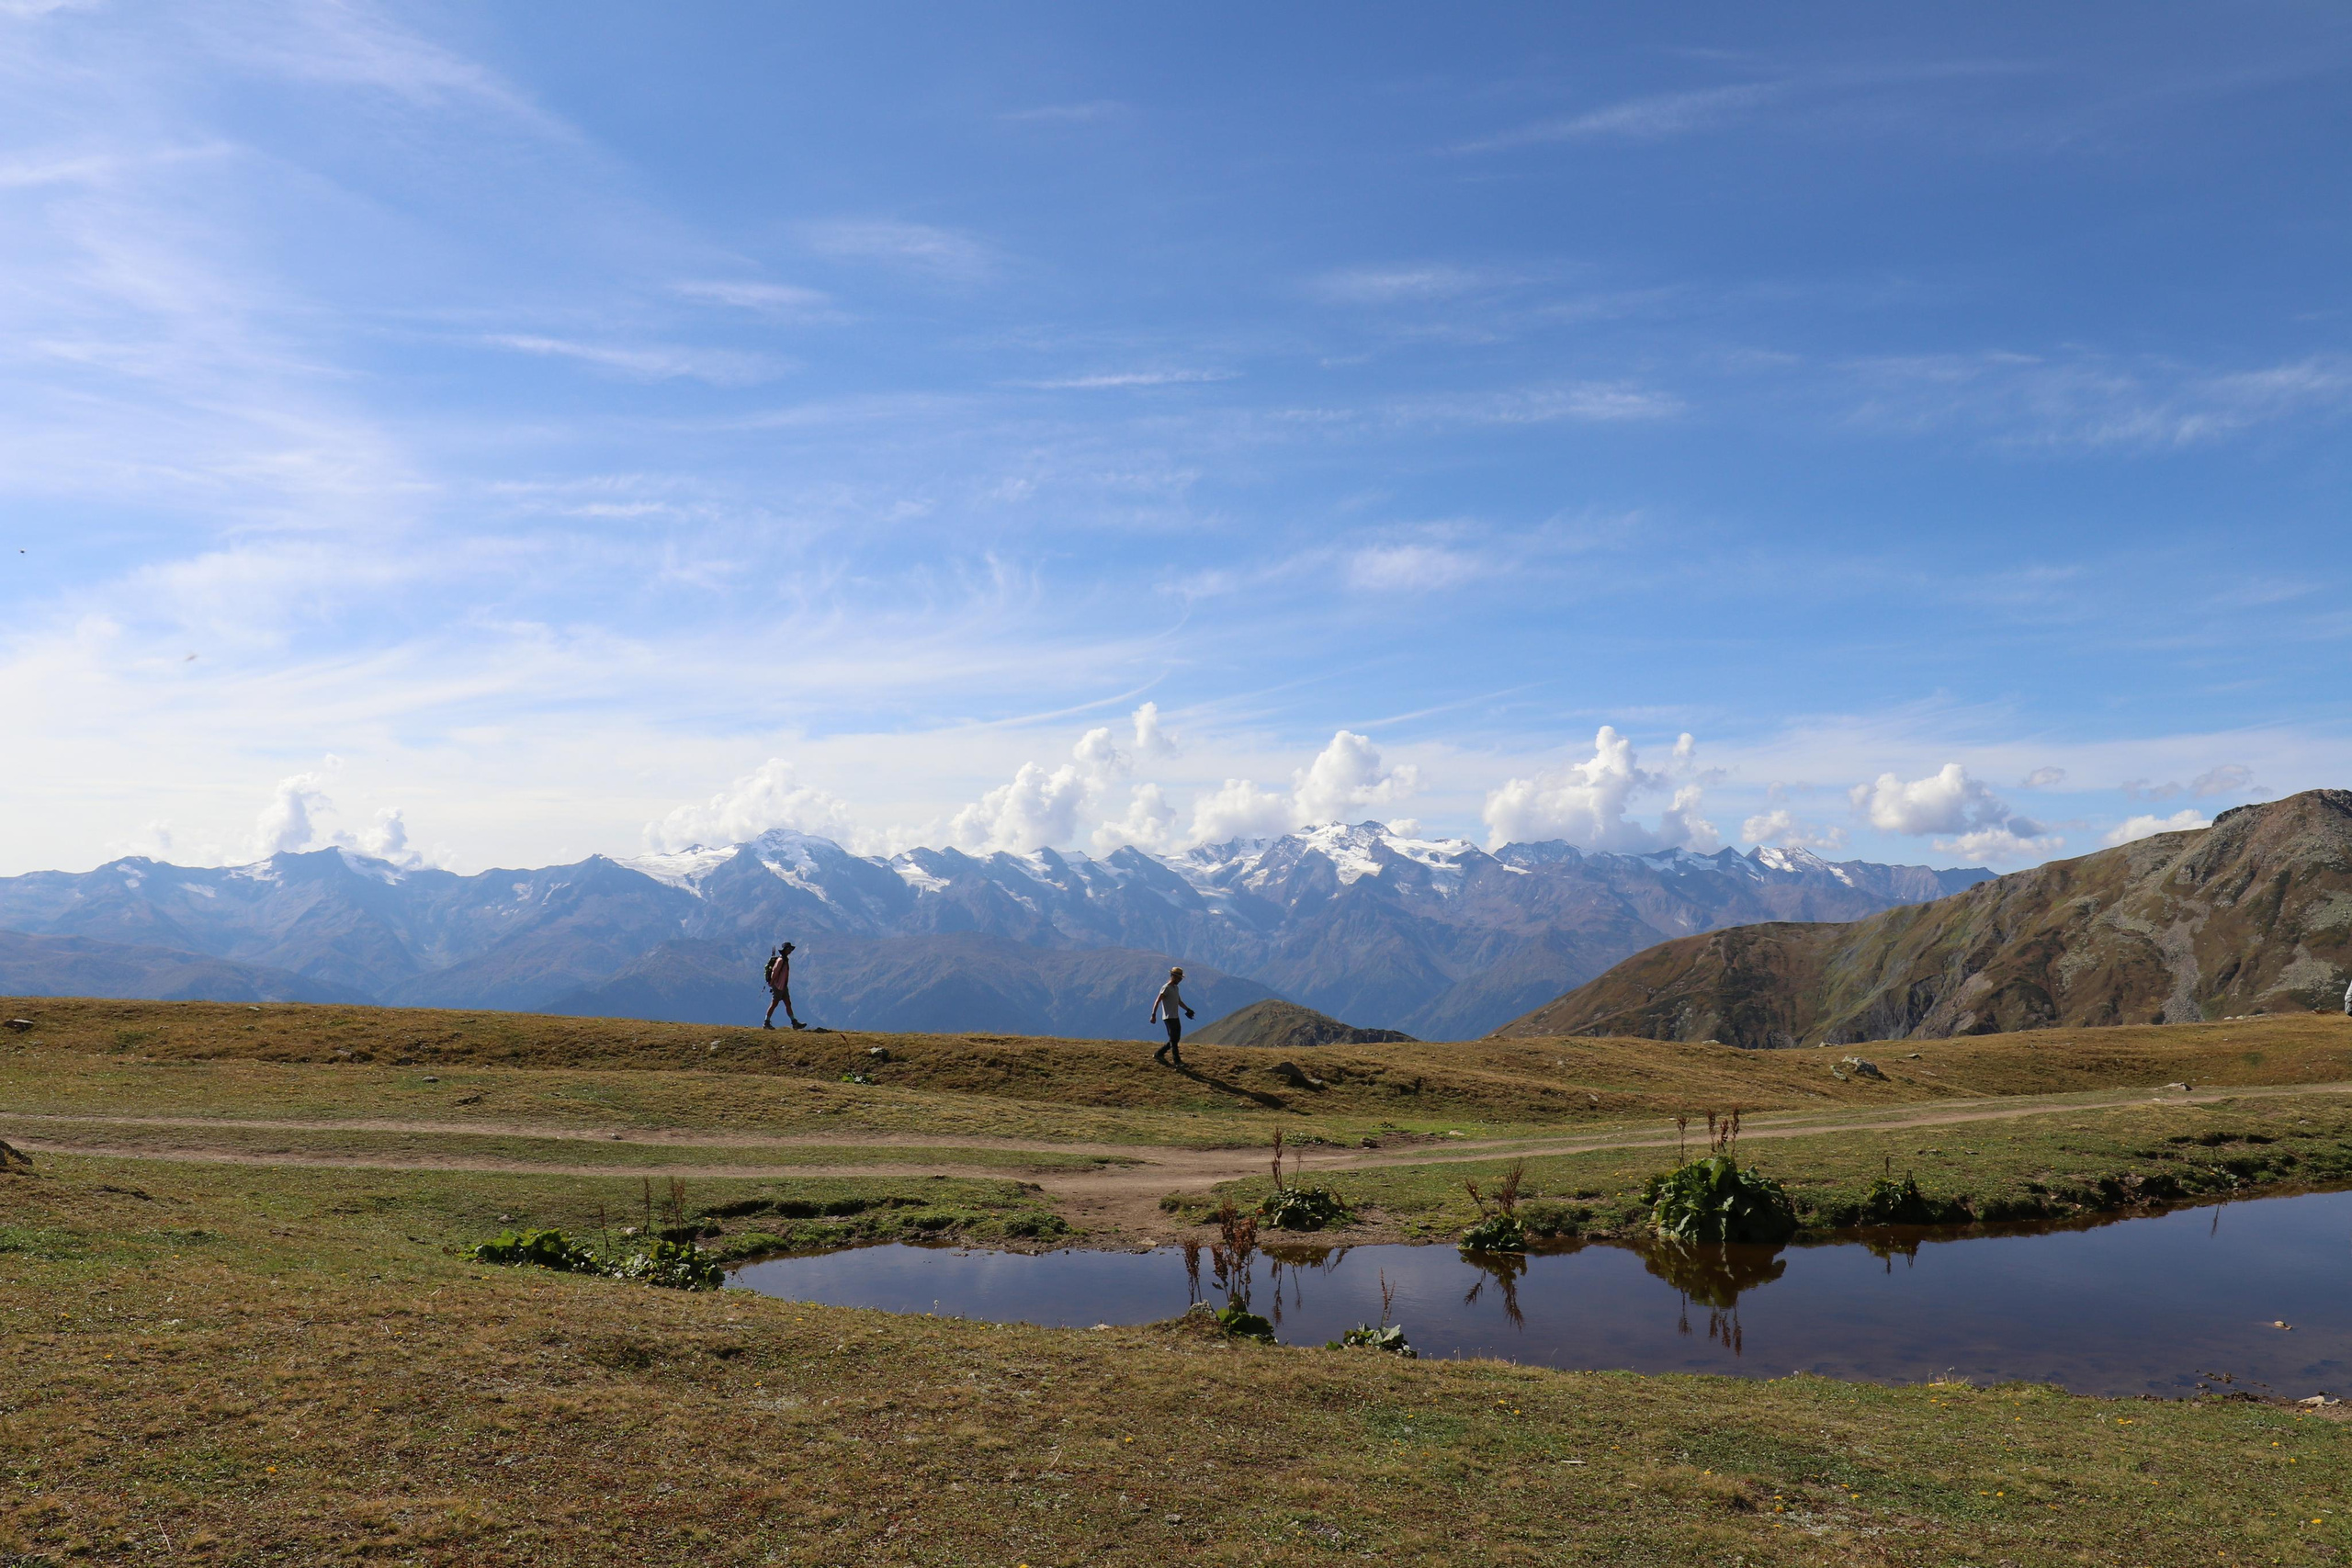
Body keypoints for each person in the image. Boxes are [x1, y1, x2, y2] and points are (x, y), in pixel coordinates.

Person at [1150, 965, 1194, 1066]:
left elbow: (1179, 1001)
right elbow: (1157, 1001)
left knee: (1175, 1039)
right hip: (1168, 1017)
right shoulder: (1166, 988)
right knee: (1174, 1040)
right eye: (1178, 978)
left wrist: (1188, 1009)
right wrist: (1153, 1015)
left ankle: (1159, 1053)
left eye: (1180, 978)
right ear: (1173, 976)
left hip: (1175, 1016)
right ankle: (1177, 1061)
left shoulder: (1176, 988)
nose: (1180, 980)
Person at [763, 942, 805, 1030]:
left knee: (788, 1003)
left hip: (783, 986)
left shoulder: (785, 960)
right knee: (774, 1004)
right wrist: (772, 982)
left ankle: (794, 1022)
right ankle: (766, 1023)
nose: (790, 951)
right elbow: (774, 972)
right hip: (778, 986)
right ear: (785, 950)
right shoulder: (781, 960)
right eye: (789, 949)